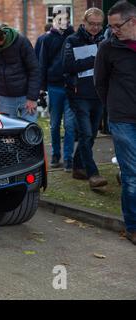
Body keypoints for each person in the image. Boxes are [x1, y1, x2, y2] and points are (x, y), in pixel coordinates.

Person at [94, 0, 136, 245]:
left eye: (117, 26)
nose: (113, 31)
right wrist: (114, 106)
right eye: (111, 26)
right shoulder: (107, 48)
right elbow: (100, 83)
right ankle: (132, 226)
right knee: (132, 174)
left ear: (133, 21)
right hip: (122, 119)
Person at [62, 8, 107, 189]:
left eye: (98, 24)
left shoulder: (105, 40)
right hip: (79, 94)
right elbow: (68, 65)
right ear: (84, 22)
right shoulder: (72, 40)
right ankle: (93, 174)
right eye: (92, 24)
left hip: (99, 94)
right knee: (86, 133)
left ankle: (77, 166)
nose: (95, 28)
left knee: (92, 134)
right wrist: (95, 58)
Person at [0, 23, 40, 122]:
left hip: (25, 95)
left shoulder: (21, 42)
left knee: (29, 131)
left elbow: (34, 70)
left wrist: (32, 98)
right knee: (7, 132)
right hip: (4, 96)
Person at [39, 5, 76, 171]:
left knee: (69, 125)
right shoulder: (46, 39)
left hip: (71, 86)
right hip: (54, 87)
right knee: (54, 124)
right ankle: (55, 154)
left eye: (65, 18)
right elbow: (42, 64)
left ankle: (68, 158)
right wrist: (41, 88)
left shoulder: (74, 37)